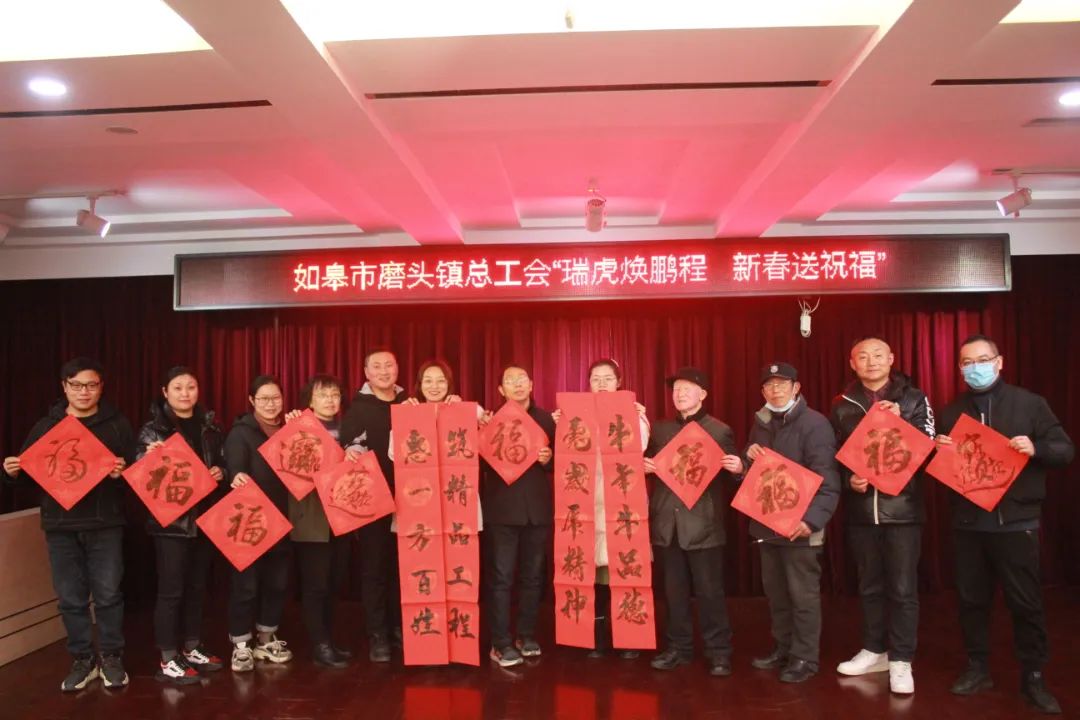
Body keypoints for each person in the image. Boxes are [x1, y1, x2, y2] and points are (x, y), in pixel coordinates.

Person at [936, 334, 1074, 714]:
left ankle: (1034, 677)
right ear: (959, 368)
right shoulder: (952, 411)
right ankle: (977, 667)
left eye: (982, 359)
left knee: (1026, 603)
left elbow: (1064, 450)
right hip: (969, 522)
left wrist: (1036, 448)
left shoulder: (1030, 403)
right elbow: (946, 469)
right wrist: (940, 453)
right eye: (967, 362)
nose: (975, 367)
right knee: (971, 601)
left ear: (999, 362)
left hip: (1016, 521)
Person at [3, 357, 135, 692]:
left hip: (105, 524)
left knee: (108, 595)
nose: (84, 392)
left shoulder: (117, 425)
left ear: (101, 387)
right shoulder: (46, 427)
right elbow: (27, 476)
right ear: (64, 387)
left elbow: (139, 475)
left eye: (91, 385)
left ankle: (111, 657)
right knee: (70, 598)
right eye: (76, 385)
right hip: (60, 526)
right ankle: (82, 659)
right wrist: (10, 473)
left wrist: (122, 474)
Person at [830, 337, 934, 695]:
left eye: (877, 355)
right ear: (852, 363)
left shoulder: (914, 399)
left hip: (903, 510)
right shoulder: (842, 404)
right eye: (863, 356)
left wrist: (901, 421)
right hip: (861, 512)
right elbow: (834, 455)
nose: (871, 361)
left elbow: (930, 450)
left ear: (891, 358)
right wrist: (849, 479)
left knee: (903, 588)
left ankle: (901, 659)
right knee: (869, 585)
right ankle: (874, 650)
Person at [741, 362, 840, 683]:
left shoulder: (815, 424)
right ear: (762, 391)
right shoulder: (761, 422)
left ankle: (804, 658)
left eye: (782, 384)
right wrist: (747, 456)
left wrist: (812, 520)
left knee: (803, 596)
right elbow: (754, 473)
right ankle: (783, 648)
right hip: (766, 525)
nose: (776, 390)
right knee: (777, 595)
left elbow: (828, 479)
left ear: (796, 388)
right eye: (769, 385)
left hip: (801, 527)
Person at [552, 359, 650, 660]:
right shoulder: (574, 416)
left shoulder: (633, 413)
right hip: (585, 506)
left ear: (619, 382)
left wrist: (637, 418)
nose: (603, 383)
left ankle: (628, 637)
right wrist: (561, 424)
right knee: (590, 574)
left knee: (624, 571)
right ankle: (593, 636)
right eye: (596, 378)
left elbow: (641, 446)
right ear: (589, 384)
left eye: (608, 378)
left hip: (622, 506)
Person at [135, 366, 227, 685]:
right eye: (178, 387)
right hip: (172, 523)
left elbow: (223, 462)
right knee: (171, 591)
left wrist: (220, 472)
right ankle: (167, 657)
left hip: (205, 518)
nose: (185, 393)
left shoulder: (210, 426)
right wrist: (146, 457)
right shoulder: (153, 430)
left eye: (191, 386)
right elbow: (138, 471)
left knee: (197, 587)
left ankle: (191, 646)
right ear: (165, 392)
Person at [645, 367, 739, 676]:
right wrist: (644, 466)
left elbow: (733, 478)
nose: (680, 393)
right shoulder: (660, 430)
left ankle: (719, 652)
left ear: (703, 394)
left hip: (703, 526)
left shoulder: (719, 430)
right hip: (667, 525)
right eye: (676, 389)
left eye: (687, 388)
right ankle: (678, 648)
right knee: (674, 594)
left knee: (710, 593)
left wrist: (738, 469)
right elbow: (643, 463)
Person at [481, 363, 555, 668]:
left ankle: (526, 635)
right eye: (510, 380)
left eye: (522, 379)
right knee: (500, 579)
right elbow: (479, 464)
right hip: (502, 511)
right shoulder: (491, 421)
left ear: (532, 384)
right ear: (501, 389)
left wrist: (549, 459)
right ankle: (500, 642)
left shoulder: (547, 419)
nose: (518, 384)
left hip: (537, 511)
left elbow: (566, 463)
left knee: (533, 578)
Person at [339, 348, 407, 662]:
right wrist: (350, 451)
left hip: (411, 501)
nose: (383, 371)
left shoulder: (410, 403)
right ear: (366, 373)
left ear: (397, 369)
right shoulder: (357, 409)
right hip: (373, 503)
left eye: (388, 365)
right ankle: (378, 634)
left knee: (404, 568)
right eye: (376, 366)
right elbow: (347, 445)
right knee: (375, 569)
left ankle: (400, 626)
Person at [224, 374, 294, 672]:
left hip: (284, 519)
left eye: (275, 398)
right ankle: (241, 644)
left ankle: (266, 638)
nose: (270, 404)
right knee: (247, 585)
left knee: (276, 583)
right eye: (263, 398)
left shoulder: (291, 429)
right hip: (250, 522)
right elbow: (234, 468)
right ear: (252, 400)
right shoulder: (240, 433)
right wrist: (236, 476)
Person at [285, 374, 353, 669]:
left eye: (335, 394)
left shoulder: (348, 428)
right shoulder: (297, 427)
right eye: (323, 395)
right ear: (310, 400)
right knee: (316, 585)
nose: (330, 400)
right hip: (311, 517)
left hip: (342, 515)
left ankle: (329, 639)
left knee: (335, 582)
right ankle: (319, 645)